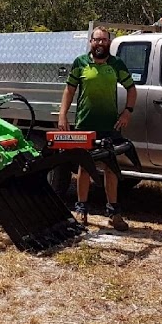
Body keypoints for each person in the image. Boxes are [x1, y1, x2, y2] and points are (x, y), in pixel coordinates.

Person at [58, 26, 138, 231]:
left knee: (111, 168)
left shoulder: (116, 64)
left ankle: (114, 214)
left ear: (109, 42)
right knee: (84, 168)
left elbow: (131, 88)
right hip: (85, 124)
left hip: (110, 126)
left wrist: (127, 112)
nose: (100, 43)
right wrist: (62, 114)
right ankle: (81, 210)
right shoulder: (80, 63)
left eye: (104, 40)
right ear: (90, 42)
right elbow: (69, 89)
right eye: (97, 40)